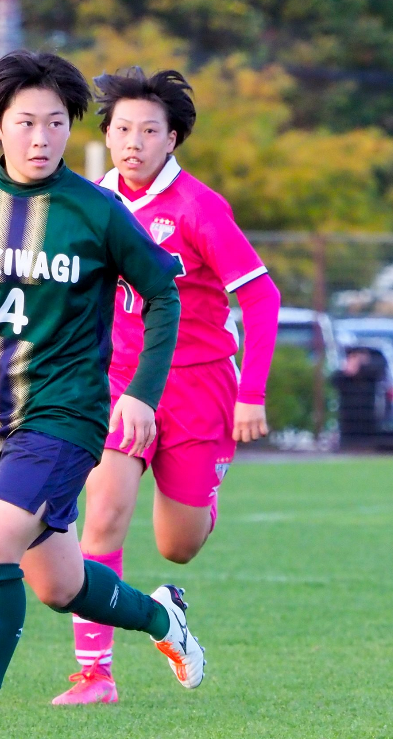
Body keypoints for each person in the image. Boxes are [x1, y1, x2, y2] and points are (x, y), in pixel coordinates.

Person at [0, 50, 200, 739]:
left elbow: (162, 294)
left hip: (67, 415)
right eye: (26, 122)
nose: (42, 137)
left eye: (56, 123)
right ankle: (163, 620)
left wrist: (142, 395)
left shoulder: (96, 210)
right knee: (59, 584)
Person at [50, 67, 281, 706]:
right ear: (106, 135)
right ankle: (96, 674)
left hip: (199, 387)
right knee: (103, 516)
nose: (134, 142)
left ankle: (196, 518)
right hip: (122, 385)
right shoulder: (88, 202)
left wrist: (252, 394)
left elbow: (262, 298)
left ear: (172, 139)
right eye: (123, 129)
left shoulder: (199, 208)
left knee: (177, 547)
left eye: (149, 131)